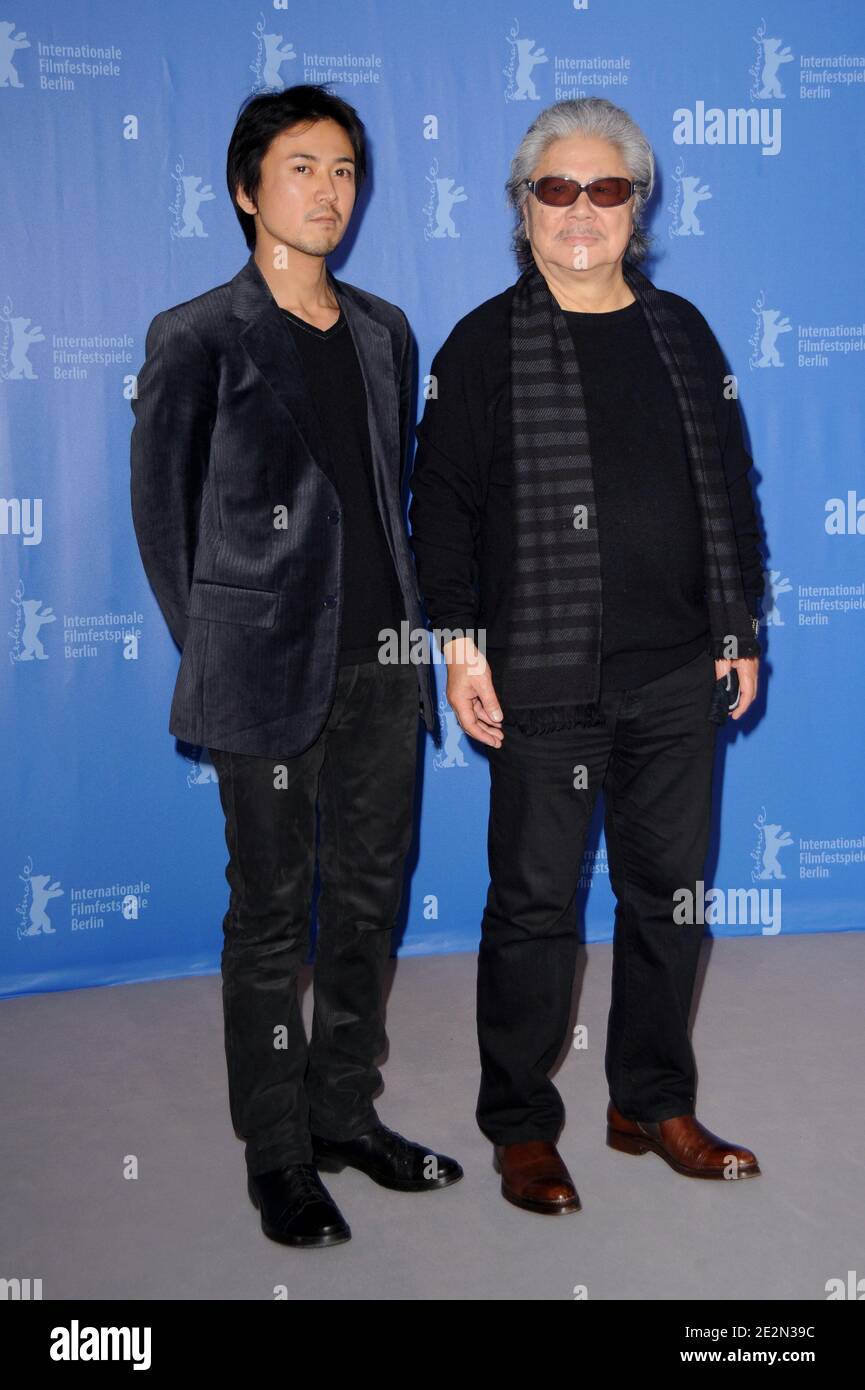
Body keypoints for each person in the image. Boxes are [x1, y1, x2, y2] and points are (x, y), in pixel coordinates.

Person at [409, 97, 765, 1216]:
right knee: (533, 907)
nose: (580, 210)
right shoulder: (480, 345)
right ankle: (520, 1123)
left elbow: (731, 491)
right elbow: (443, 512)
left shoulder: (684, 333)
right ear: (523, 209)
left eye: (604, 188)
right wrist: (459, 651)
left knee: (671, 899)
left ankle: (647, 1102)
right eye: (555, 189)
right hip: (543, 678)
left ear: (637, 205)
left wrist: (738, 627)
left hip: (674, 678)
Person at [130, 84, 461, 1249]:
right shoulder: (196, 335)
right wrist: (227, 651)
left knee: (367, 906)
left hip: (383, 662)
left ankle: (343, 1115)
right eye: (303, 168)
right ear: (244, 189)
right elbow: (165, 529)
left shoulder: (382, 330)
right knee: (271, 921)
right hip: (264, 678)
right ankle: (276, 1153)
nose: (329, 191)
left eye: (344, 171)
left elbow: (385, 501)